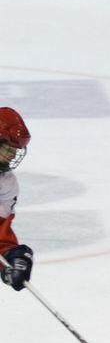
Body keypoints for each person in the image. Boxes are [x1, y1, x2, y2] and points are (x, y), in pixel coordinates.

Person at [0, 107, 34, 292]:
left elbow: (0, 230)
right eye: (9, 148)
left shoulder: (6, 183)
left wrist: (12, 258)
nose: (13, 155)